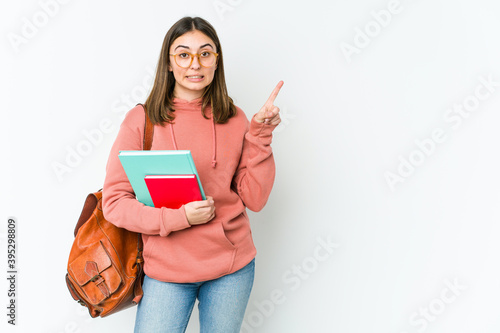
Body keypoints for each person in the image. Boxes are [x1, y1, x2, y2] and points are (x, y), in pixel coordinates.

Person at [102, 16, 283, 333]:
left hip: (232, 268)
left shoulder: (235, 118)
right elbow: (114, 203)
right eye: (183, 54)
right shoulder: (141, 120)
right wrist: (177, 218)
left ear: (217, 61)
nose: (195, 64)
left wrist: (260, 137)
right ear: (169, 64)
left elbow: (254, 199)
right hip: (167, 272)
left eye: (206, 53)